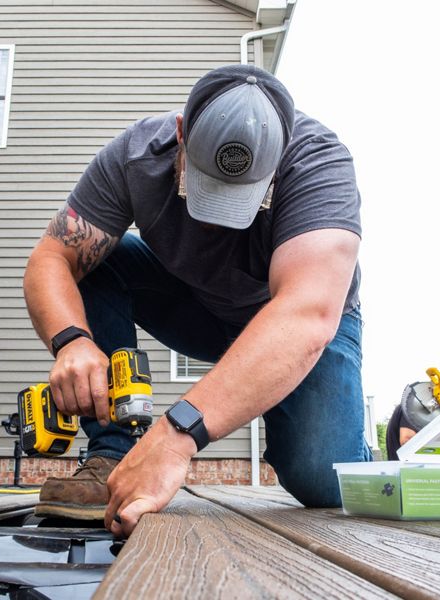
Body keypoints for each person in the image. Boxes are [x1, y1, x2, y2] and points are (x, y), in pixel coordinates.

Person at [23, 64, 372, 537]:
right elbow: (51, 257)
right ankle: (112, 452)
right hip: (197, 307)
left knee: (323, 479)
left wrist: (174, 438)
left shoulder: (318, 165)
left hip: (296, 321)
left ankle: (371, 458)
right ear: (182, 133)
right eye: (204, 184)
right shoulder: (136, 155)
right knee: (99, 260)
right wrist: (72, 342)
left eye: (241, 197)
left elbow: (306, 315)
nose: (219, 219)